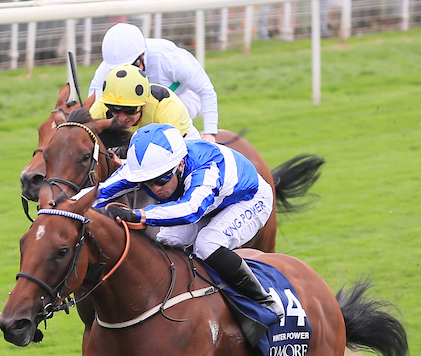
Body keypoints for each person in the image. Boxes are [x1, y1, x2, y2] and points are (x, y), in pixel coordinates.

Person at [94, 123, 285, 326]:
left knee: (207, 244)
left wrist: (138, 214)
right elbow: (99, 193)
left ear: (181, 165)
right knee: (165, 239)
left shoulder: (206, 169)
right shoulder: (148, 168)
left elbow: (191, 210)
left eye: (162, 179)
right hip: (209, 202)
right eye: (148, 182)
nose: (156, 188)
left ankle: (264, 302)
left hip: (248, 199)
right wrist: (62, 207)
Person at [88, 23, 220, 142]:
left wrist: (210, 133)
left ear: (143, 56)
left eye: (131, 66)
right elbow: (96, 104)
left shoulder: (169, 59)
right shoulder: (106, 68)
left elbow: (205, 90)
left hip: (183, 97)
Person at [88, 64, 199, 141]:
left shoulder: (165, 104)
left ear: (143, 105)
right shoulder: (103, 104)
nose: (122, 118)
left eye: (130, 110)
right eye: (114, 109)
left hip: (183, 142)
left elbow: (172, 149)